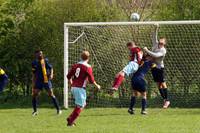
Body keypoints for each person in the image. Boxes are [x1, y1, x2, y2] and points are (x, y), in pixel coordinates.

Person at [67, 51, 101, 127]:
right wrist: (97, 86)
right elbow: (91, 80)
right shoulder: (88, 67)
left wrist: (71, 83)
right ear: (88, 58)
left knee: (82, 104)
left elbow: (68, 76)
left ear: (80, 57)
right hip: (80, 88)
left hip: (74, 87)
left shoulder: (75, 65)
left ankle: (70, 118)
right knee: (80, 106)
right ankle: (70, 122)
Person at [143, 24, 170, 109]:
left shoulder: (163, 50)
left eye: (162, 43)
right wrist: (156, 28)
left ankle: (167, 100)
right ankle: (164, 100)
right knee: (158, 85)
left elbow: (156, 55)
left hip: (159, 68)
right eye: (160, 42)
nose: (160, 44)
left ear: (164, 44)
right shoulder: (156, 44)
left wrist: (147, 50)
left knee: (163, 83)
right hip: (153, 66)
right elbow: (154, 36)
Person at [31, 50, 61, 116]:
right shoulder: (34, 63)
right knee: (34, 94)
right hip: (38, 81)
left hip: (46, 80)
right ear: (36, 55)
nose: (40, 55)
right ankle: (35, 111)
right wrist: (33, 84)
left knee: (51, 94)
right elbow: (33, 74)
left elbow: (51, 68)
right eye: (39, 54)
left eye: (41, 54)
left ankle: (58, 110)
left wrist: (52, 74)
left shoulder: (45, 61)